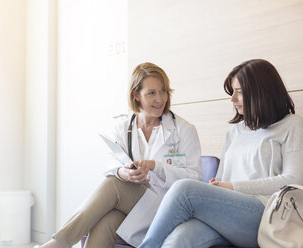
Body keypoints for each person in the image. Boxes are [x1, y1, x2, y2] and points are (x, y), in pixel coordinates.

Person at [138, 59, 303, 248]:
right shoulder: (235, 132)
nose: (232, 99)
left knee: (185, 190)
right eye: (232, 92)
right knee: (180, 239)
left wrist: (233, 187)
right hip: (229, 213)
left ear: (261, 92)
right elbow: (222, 178)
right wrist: (219, 187)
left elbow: (293, 180)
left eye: (239, 93)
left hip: (267, 214)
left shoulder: (292, 125)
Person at [35, 62, 202, 248]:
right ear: (136, 95)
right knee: (106, 221)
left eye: (163, 91)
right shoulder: (124, 128)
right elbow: (111, 165)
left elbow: (195, 179)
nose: (160, 99)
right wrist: (125, 173)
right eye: (152, 93)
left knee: (113, 184)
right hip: (136, 209)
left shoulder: (184, 130)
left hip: (168, 208)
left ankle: (59, 243)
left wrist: (157, 166)